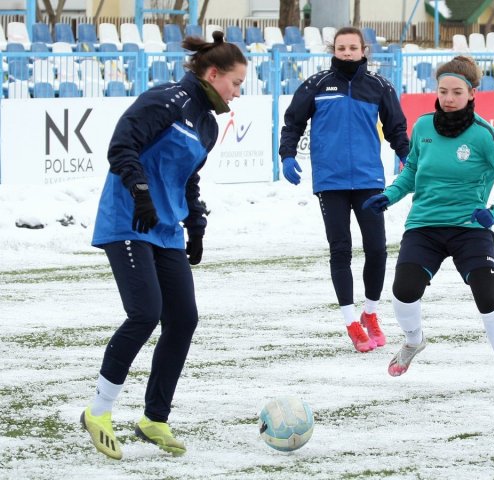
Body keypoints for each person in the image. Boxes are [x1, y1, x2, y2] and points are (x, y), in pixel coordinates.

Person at [81, 31, 247, 460]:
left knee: (184, 318)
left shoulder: (208, 124)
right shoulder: (167, 99)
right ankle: (98, 412)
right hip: (129, 220)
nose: (238, 92)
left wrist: (196, 225)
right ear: (214, 73)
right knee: (144, 314)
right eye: (236, 83)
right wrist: (139, 192)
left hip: (166, 228)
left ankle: (154, 418)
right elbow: (122, 147)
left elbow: (188, 177)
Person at [363, 56, 494, 401]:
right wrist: (389, 195)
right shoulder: (423, 127)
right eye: (443, 91)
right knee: (404, 290)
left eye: (457, 92)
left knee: (487, 295)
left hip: (471, 228)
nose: (449, 98)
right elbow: (411, 173)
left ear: (472, 93)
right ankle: (413, 340)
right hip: (424, 226)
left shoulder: (484, 135)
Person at [279, 26, 410, 353]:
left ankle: (370, 313)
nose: (348, 52)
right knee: (341, 249)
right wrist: (287, 155)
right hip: (331, 181)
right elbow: (293, 122)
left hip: (368, 180)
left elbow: (396, 127)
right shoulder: (317, 84)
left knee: (377, 249)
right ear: (333, 50)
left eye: (353, 47)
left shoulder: (379, 86)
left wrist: (406, 155)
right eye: (341, 48)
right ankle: (351, 320)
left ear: (364, 49)